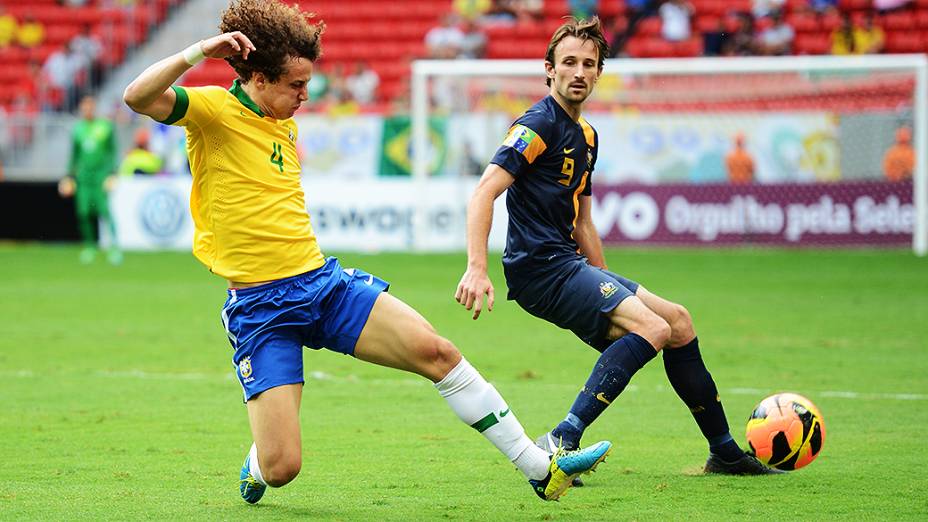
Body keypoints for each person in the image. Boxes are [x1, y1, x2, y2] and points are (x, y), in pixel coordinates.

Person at [122, 0, 612, 506]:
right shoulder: (213, 113)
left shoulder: (283, 122)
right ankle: (259, 458)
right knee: (282, 467)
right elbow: (136, 96)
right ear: (260, 79)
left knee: (436, 352)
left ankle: (539, 467)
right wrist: (199, 51)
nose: (305, 96)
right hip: (261, 308)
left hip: (320, 284)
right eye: (295, 85)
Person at [456, 16, 781, 478]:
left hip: (569, 265)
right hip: (538, 270)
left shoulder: (587, 136)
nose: (579, 72)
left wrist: (607, 286)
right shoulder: (535, 125)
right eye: (568, 62)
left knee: (678, 323)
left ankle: (724, 451)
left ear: (599, 73)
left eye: (589, 64)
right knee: (652, 329)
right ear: (548, 69)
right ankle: (561, 438)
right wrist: (476, 267)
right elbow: (484, 192)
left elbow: (584, 219)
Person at [59, 95, 121, 264]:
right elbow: (74, 155)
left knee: (105, 212)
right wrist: (68, 176)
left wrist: (113, 173)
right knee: (84, 213)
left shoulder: (105, 126)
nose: (87, 110)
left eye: (90, 106)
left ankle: (114, 247)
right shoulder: (78, 129)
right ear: (81, 109)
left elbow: (112, 152)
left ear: (94, 108)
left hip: (101, 176)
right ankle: (90, 246)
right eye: (84, 107)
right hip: (83, 178)